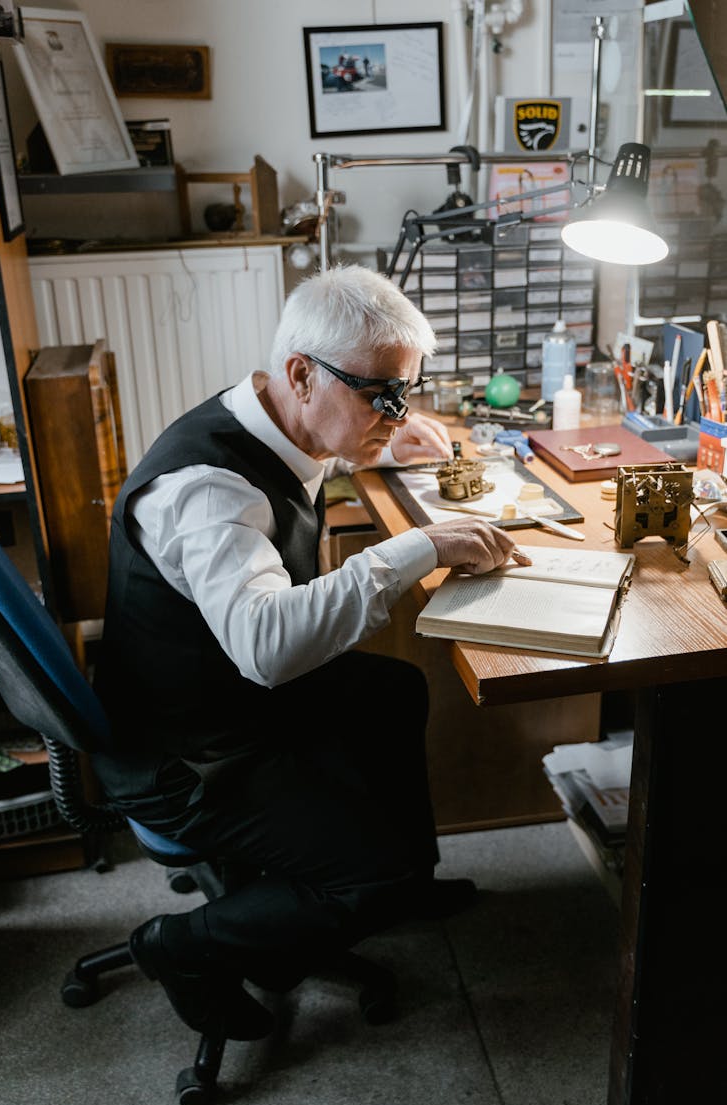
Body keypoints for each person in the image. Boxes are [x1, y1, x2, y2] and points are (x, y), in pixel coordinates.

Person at [92, 263, 530, 1040]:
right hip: (184, 758)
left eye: (405, 393)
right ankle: (183, 947)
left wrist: (379, 442)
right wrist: (415, 548)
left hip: (218, 703)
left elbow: (318, 450)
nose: (397, 414)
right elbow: (264, 648)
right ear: (302, 373)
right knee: (371, 874)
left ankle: (406, 879)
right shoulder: (210, 490)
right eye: (384, 396)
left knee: (392, 689)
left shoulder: (274, 416)